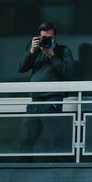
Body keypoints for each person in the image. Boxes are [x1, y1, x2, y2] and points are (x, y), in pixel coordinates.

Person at [18, 22, 74, 162]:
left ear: (55, 37)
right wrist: (31, 51)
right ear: (38, 37)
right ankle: (23, 170)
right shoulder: (35, 51)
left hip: (52, 100)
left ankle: (58, 170)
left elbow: (68, 73)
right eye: (44, 37)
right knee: (27, 139)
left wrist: (52, 56)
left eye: (50, 37)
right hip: (35, 101)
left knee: (55, 139)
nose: (47, 40)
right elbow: (22, 68)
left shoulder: (63, 50)